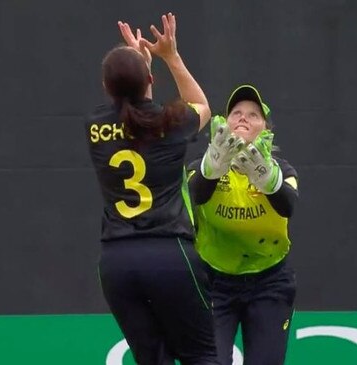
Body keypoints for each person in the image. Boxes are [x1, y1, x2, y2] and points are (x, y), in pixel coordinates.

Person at [85, 13, 219, 365]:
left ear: (106, 86)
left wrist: (136, 67)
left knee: (152, 360)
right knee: (202, 355)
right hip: (168, 252)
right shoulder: (169, 122)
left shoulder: (94, 127)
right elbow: (202, 107)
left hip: (117, 262)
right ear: (150, 79)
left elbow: (125, 107)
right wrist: (170, 56)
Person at [187, 84, 299, 365]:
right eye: (236, 113)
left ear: (266, 128)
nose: (243, 118)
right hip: (214, 281)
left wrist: (267, 181)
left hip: (269, 280)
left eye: (253, 114)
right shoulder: (201, 167)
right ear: (223, 124)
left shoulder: (281, 170)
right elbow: (196, 194)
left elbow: (288, 205)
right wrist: (211, 169)